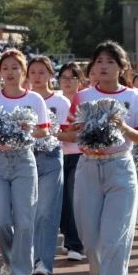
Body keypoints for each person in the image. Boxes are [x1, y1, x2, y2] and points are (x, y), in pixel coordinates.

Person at [63, 41, 138, 275]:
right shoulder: (83, 96)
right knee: (91, 240)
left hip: (120, 167)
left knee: (116, 238)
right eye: (99, 61)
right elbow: (67, 133)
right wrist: (74, 129)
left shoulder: (134, 98)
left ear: (122, 67)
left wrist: (122, 125)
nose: (104, 66)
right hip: (88, 166)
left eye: (110, 61)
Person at [0, 50, 49, 275]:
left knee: (24, 220)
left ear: (23, 71)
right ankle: (9, 260)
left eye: (15, 68)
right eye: (5, 68)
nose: (10, 72)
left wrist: (27, 130)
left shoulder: (35, 99)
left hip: (23, 161)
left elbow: (44, 130)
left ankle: (21, 270)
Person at [27, 56, 70, 275]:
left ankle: (43, 261)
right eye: (33, 72)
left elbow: (72, 134)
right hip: (24, 158)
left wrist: (52, 132)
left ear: (50, 75)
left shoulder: (61, 102)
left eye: (42, 72)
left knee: (46, 212)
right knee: (27, 212)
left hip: (51, 158)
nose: (37, 77)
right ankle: (24, 258)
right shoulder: (24, 99)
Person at [58, 62, 87, 263]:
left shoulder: (84, 102)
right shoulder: (54, 101)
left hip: (78, 155)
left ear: (80, 81)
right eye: (64, 78)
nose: (67, 82)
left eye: (72, 78)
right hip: (56, 155)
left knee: (72, 198)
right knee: (60, 201)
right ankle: (68, 236)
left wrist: (59, 133)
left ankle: (75, 244)